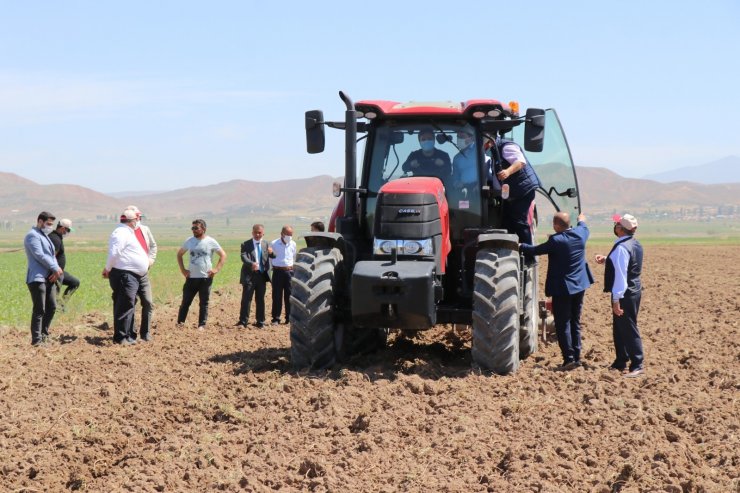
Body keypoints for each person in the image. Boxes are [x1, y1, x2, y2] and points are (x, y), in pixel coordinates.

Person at [520, 212, 595, 370]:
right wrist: (581, 218)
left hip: (563, 289)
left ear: (556, 226)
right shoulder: (581, 234)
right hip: (580, 286)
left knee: (563, 323)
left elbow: (536, 250)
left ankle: (568, 359)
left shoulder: (556, 240)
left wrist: (521, 246)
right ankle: (577, 356)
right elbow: (583, 224)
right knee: (575, 321)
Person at [595, 213, 644, 378]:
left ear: (620, 229)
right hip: (634, 289)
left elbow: (621, 276)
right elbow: (626, 263)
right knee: (620, 327)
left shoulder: (622, 248)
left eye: (616, 225)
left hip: (625, 292)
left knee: (628, 327)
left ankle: (637, 364)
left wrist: (616, 300)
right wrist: (608, 259)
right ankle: (620, 361)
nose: (615, 227)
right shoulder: (633, 243)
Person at [103, 210, 150, 345]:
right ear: (133, 220)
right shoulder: (120, 233)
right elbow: (114, 253)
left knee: (129, 305)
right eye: (137, 219)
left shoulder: (127, 232)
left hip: (131, 274)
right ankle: (120, 337)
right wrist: (107, 268)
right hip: (124, 274)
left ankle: (129, 336)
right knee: (124, 305)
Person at [176, 219, 226, 330]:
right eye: (192, 228)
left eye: (196, 228)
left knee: (204, 303)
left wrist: (216, 269)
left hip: (205, 278)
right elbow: (179, 255)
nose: (193, 230)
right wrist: (183, 270)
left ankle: (201, 325)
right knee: (185, 302)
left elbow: (223, 255)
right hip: (191, 277)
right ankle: (180, 323)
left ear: (203, 229)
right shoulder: (189, 241)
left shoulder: (211, 241)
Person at [492, 136, 542, 245]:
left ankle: (529, 254)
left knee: (519, 222)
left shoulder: (505, 146)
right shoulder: (493, 150)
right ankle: (511, 248)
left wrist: (508, 171)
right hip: (510, 193)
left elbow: (520, 162)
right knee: (506, 222)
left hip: (522, 190)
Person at [24, 211, 64, 346]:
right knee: (39, 309)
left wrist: (56, 270)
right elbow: (39, 255)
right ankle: (36, 340)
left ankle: (44, 334)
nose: (50, 227)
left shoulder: (44, 236)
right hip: (37, 278)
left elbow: (52, 256)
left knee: (52, 306)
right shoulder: (32, 236)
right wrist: (56, 268)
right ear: (39, 221)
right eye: (48, 224)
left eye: (51, 224)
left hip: (49, 277)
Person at [124, 205, 157, 341]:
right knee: (130, 303)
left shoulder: (145, 230)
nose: (138, 219)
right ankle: (131, 333)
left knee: (148, 302)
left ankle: (146, 333)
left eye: (139, 217)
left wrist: (150, 260)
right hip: (128, 273)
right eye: (136, 217)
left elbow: (153, 246)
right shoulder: (123, 232)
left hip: (143, 272)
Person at [237, 224, 271, 328]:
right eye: (255, 232)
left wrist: (272, 253)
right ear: (252, 233)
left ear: (263, 233)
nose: (257, 234)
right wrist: (251, 263)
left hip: (261, 276)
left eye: (259, 232)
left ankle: (260, 322)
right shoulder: (246, 244)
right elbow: (243, 257)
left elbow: (272, 256)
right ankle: (243, 322)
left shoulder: (266, 244)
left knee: (260, 299)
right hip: (249, 276)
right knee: (246, 299)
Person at [48, 218, 80, 306]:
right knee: (55, 296)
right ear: (62, 228)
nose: (68, 232)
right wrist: (55, 271)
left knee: (75, 282)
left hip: (59, 271)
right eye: (68, 230)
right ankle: (55, 310)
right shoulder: (55, 239)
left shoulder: (57, 237)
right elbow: (51, 257)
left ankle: (61, 305)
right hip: (55, 272)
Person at [270, 225, 296, 325]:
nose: (289, 236)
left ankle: (289, 318)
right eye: (288, 234)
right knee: (276, 295)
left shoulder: (293, 244)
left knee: (289, 295)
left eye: (291, 234)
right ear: (282, 234)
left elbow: (293, 257)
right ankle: (276, 318)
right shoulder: (274, 243)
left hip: (290, 272)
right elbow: (270, 258)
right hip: (277, 272)